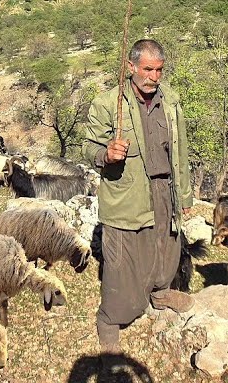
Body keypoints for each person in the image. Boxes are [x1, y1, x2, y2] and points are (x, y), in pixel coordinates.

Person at [83, 39, 194, 356]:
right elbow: (88, 146)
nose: (154, 76)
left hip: (164, 191)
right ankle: (110, 320)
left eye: (159, 70)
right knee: (123, 262)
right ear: (130, 67)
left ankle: (161, 293)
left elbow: (180, 153)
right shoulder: (107, 103)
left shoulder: (170, 101)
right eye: (147, 69)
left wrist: (184, 193)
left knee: (165, 247)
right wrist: (106, 153)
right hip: (127, 193)